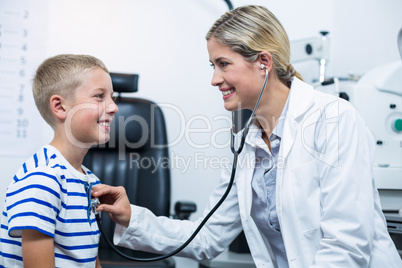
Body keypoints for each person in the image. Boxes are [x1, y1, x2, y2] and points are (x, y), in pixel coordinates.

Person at [91, 5, 402, 268]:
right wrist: (132, 217)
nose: (214, 79)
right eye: (213, 66)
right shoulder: (247, 142)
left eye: (223, 64)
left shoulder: (334, 120)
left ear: (263, 63)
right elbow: (209, 237)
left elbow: (346, 247)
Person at [0, 54, 118, 267]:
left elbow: (91, 260)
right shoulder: (42, 178)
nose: (113, 107)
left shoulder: (90, 179)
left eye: (113, 97)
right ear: (60, 107)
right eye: (100, 96)